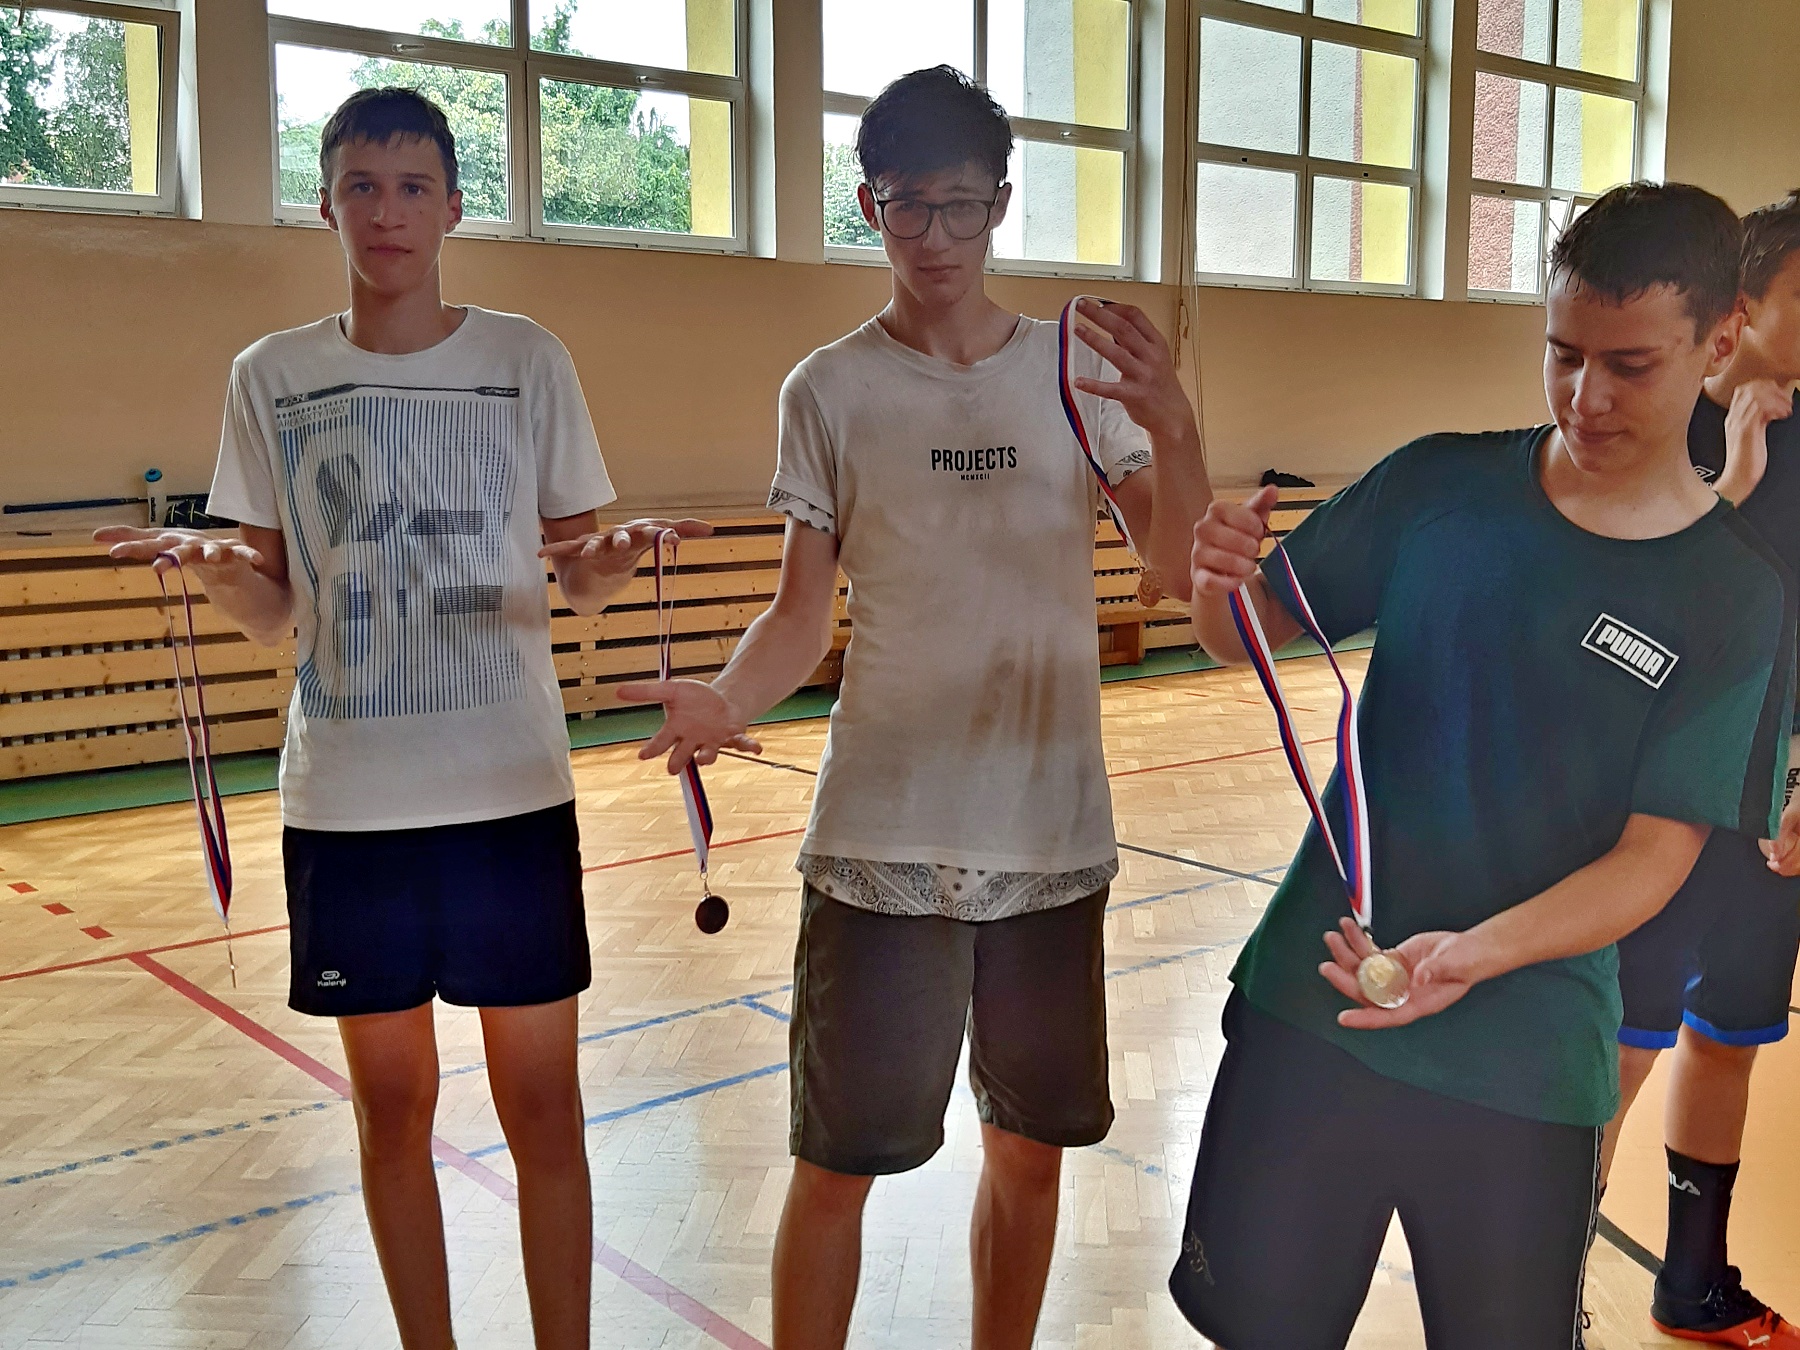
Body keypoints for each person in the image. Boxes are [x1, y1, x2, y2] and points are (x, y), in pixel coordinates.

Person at [99, 88, 706, 1350]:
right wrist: (212, 573)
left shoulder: (527, 359)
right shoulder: (271, 375)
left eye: (413, 187)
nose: (387, 212)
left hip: (508, 796)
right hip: (348, 804)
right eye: (362, 188)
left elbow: (580, 581)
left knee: (545, 1109)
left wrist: (612, 562)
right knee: (391, 1112)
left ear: (453, 208)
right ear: (324, 205)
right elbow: (273, 612)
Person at [618, 66, 1213, 1350]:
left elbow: (1173, 567)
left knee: (1031, 1153)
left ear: (1000, 202)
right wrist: (726, 696)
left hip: (1048, 832)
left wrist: (1174, 428)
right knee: (837, 1165)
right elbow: (799, 613)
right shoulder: (829, 388)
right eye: (906, 207)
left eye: (960, 206)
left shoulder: (1073, 372)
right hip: (880, 834)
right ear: (868, 205)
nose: (935, 238)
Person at [1170, 181, 1796, 1350]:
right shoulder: (1435, 486)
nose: (1586, 396)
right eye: (1563, 354)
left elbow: (1654, 856)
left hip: (1525, 1063)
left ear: (1719, 344)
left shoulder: (1733, 596)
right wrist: (1217, 583)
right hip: (1313, 1010)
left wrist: (1472, 954)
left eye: (1630, 365)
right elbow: (1242, 630)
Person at [1600, 190, 1800, 1348]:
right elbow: (1625, 620)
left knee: (1728, 1037)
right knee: (1616, 1052)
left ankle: (1693, 1281)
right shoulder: (1654, 429)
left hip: (1766, 813)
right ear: (1743, 304)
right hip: (1656, 812)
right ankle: (1536, 1296)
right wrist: (1735, 480)